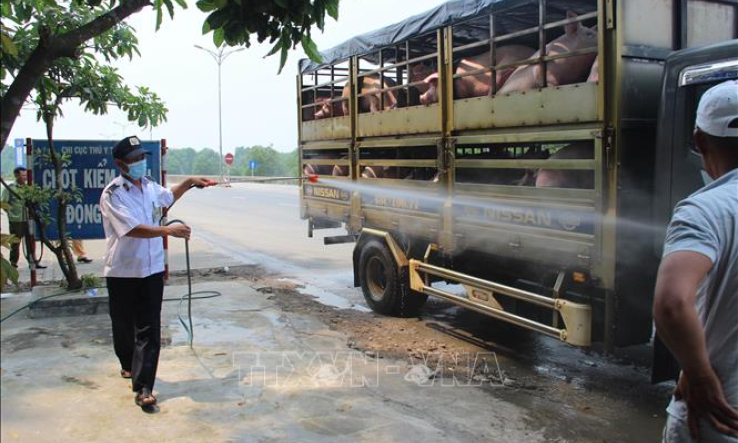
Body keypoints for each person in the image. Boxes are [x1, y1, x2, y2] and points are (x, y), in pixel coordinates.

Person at [100, 135, 216, 410]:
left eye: (142, 157)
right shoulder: (113, 194)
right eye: (134, 159)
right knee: (124, 325)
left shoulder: (150, 187)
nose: (140, 163)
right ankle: (128, 364)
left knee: (149, 329)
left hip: (151, 270)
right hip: (122, 271)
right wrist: (168, 231)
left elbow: (168, 197)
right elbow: (131, 229)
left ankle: (144, 386)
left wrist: (189, 183)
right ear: (120, 163)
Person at [654, 80, 738, 443]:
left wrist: (698, 369)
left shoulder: (706, 209)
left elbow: (672, 304)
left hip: (718, 413)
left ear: (699, 141)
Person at [1, 167, 47, 269]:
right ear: (16, 175)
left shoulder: (28, 188)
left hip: (28, 219)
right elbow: (4, 204)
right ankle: (13, 264)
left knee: (30, 241)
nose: (25, 178)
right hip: (16, 220)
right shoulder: (10, 188)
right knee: (15, 242)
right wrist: (11, 213)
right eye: (23, 175)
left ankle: (33, 262)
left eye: (26, 175)